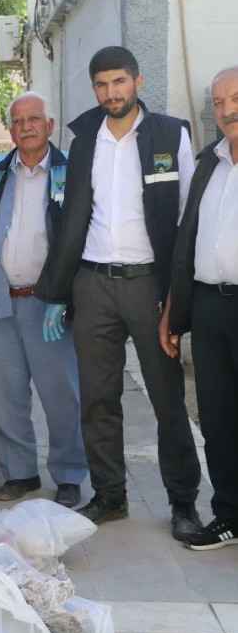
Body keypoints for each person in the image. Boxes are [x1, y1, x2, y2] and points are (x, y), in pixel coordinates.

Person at [36, 45, 201, 539]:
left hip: (148, 284)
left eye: (120, 83)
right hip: (93, 284)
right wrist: (60, 290)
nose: (112, 93)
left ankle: (183, 502)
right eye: (103, 85)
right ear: (95, 89)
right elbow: (70, 218)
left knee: (166, 397)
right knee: (98, 399)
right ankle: (110, 496)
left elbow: (187, 217)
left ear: (138, 82)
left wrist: (177, 293)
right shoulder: (84, 137)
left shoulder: (170, 135)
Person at [0, 92, 86, 507]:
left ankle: (70, 474)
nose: (26, 126)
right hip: (1, 301)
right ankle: (20, 473)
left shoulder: (69, 171)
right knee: (2, 395)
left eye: (34, 118)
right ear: (10, 129)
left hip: (49, 306)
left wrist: (66, 294)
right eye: (18, 120)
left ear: (50, 125)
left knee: (61, 395)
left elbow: (77, 235)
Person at [163, 65, 238, 550]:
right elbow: (187, 239)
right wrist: (174, 310)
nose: (227, 110)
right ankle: (229, 514)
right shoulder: (210, 161)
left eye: (235, 98)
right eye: (218, 102)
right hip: (210, 308)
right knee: (217, 417)